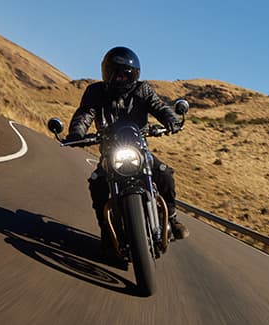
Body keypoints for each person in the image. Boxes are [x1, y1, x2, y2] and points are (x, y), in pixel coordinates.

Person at [66, 46, 189, 256]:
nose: (121, 78)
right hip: (110, 152)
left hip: (139, 149)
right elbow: (85, 114)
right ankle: (106, 231)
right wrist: (77, 133)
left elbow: (158, 106)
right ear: (107, 73)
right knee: (97, 183)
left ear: (134, 75)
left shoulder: (143, 90)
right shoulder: (95, 92)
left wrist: (171, 120)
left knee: (165, 174)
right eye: (116, 73)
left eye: (126, 74)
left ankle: (173, 218)